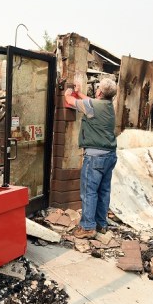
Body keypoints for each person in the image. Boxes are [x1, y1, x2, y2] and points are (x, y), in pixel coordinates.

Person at [64, 78, 118, 239]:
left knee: (89, 192)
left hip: (95, 157)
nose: (96, 91)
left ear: (100, 92)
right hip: (110, 156)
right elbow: (90, 101)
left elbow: (69, 100)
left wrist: (68, 91)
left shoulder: (93, 106)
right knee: (103, 191)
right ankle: (101, 224)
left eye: (97, 89)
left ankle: (87, 227)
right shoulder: (107, 106)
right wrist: (80, 91)